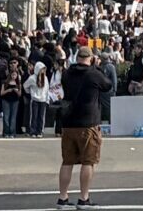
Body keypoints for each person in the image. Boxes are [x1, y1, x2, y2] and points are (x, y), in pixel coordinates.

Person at [57, 46, 113, 209]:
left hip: (68, 122)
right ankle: (84, 198)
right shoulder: (94, 73)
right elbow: (107, 85)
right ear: (91, 58)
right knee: (88, 161)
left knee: (67, 161)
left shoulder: (67, 74)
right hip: (88, 123)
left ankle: (63, 198)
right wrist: (97, 66)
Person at [25, 62, 52, 138]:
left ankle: (40, 131)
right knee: (34, 116)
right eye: (42, 69)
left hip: (43, 100)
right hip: (35, 100)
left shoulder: (45, 78)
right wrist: (30, 93)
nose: (43, 71)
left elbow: (47, 89)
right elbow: (25, 86)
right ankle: (33, 131)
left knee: (41, 116)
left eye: (44, 69)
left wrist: (47, 99)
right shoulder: (32, 78)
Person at [0, 59, 23, 138]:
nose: (14, 76)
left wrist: (16, 91)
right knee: (6, 116)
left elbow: (20, 94)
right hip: (6, 100)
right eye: (11, 63)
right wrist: (8, 90)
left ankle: (12, 132)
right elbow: (1, 93)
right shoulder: (5, 80)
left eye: (15, 75)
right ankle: (6, 132)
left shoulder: (18, 81)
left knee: (13, 117)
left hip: (15, 100)